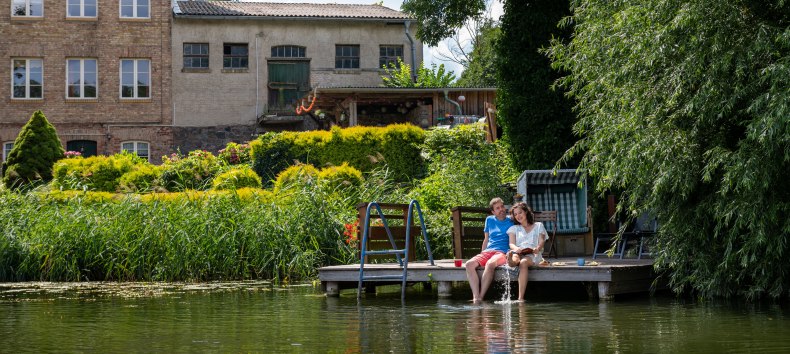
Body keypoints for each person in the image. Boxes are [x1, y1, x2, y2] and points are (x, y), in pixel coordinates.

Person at [466, 197, 513, 303]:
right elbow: (486, 239)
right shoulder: (489, 220)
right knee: (469, 264)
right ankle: (475, 296)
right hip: (488, 251)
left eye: (502, 206)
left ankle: (481, 297)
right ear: (493, 211)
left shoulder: (511, 220)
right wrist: (482, 253)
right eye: (497, 208)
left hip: (502, 252)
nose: (501, 209)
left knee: (490, 264)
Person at [506, 202, 549, 302]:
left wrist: (537, 248)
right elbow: (511, 244)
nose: (518, 216)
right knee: (516, 256)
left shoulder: (538, 226)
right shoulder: (514, 228)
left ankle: (520, 298)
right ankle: (511, 261)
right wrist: (516, 248)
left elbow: (541, 241)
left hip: (533, 254)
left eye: (520, 212)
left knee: (523, 262)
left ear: (526, 212)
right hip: (519, 251)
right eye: (515, 214)